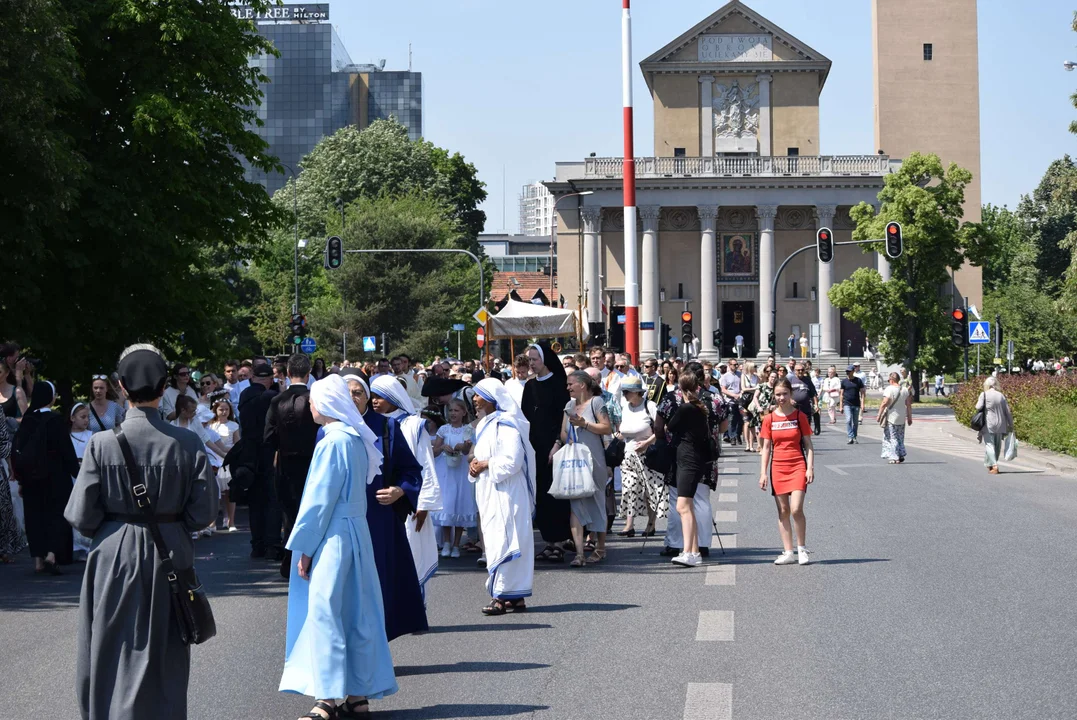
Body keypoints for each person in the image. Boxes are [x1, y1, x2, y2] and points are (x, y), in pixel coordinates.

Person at [65, 343, 217, 719]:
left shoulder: (101, 444)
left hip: (112, 553)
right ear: (165, 386)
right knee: (166, 653)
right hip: (169, 549)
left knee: (107, 647)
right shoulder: (186, 442)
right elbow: (204, 513)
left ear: (120, 386)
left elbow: (80, 514)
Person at [279, 374, 398, 720]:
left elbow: (319, 500)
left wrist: (305, 547)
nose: (310, 406)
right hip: (356, 531)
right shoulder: (355, 438)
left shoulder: (332, 441)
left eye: (314, 400)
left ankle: (327, 698)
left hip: (333, 534)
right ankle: (358, 696)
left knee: (325, 613)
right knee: (357, 612)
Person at [371, 374, 442, 600]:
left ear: (393, 397)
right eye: (372, 396)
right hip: (380, 501)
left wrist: (423, 504)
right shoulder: (370, 424)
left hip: (409, 500)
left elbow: (425, 465)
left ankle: (413, 608)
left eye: (380, 396)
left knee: (412, 554)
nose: (374, 401)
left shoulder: (413, 425)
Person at [469, 378, 537, 615]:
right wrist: (475, 466)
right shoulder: (483, 424)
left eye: (479, 395)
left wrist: (486, 464)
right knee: (497, 536)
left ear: (492, 398)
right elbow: (481, 457)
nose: (474, 400)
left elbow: (513, 461)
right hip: (489, 490)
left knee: (506, 539)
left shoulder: (507, 424)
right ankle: (515, 596)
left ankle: (501, 595)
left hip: (508, 492)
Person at [656, 362, 728, 559]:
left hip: (679, 453)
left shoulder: (672, 397)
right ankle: (702, 544)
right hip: (706, 454)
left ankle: (675, 542)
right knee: (702, 500)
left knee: (676, 500)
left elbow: (659, 425)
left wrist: (664, 440)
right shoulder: (714, 398)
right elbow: (724, 425)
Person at [13, 381, 79, 573]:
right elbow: (66, 452)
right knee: (58, 515)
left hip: (32, 479)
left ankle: (37, 561)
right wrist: (79, 474)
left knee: (35, 517)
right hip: (57, 478)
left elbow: (20, 451)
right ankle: (52, 554)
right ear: (50, 397)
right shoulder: (55, 420)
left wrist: (21, 479)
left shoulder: (27, 420)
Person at [265, 354, 320, 575]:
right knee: (312, 511)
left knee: (289, 513)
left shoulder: (277, 401)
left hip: (286, 462)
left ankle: (290, 559)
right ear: (308, 375)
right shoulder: (314, 400)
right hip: (313, 463)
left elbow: (268, 437)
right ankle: (309, 558)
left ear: (288, 373)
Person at [521, 342, 572, 563]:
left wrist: (557, 443)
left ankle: (559, 542)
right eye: (529, 360)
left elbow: (563, 417)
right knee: (540, 494)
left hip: (554, 446)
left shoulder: (559, 384)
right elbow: (524, 417)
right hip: (534, 447)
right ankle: (548, 541)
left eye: (535, 359)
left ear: (545, 360)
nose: (531, 364)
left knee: (555, 494)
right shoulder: (529, 386)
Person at [758, 378, 815, 566]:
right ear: (774, 396)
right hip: (778, 467)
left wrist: (809, 468)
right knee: (783, 510)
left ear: (791, 394)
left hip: (797, 465)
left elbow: (808, 445)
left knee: (796, 508)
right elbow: (766, 447)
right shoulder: (769, 419)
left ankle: (802, 548)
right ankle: (788, 552)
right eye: (778, 395)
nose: (781, 398)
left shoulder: (800, 417)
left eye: (784, 394)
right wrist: (763, 473)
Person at [559, 370, 611, 566]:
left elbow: (607, 428)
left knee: (597, 501)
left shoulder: (596, 402)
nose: (568, 387)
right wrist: (568, 440)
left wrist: (584, 424)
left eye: (571, 384)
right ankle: (580, 553)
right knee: (576, 504)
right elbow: (563, 433)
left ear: (582, 384)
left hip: (594, 459)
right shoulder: (569, 405)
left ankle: (600, 547)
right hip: (575, 461)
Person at [666, 373, 715, 567]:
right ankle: (693, 551)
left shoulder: (686, 408)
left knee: (683, 506)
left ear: (681, 389)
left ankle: (688, 551)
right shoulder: (698, 408)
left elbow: (670, 426)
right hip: (693, 459)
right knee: (689, 507)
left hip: (688, 460)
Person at [239, 364, 282, 559]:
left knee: (255, 500)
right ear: (270, 379)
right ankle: (273, 543)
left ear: (253, 378)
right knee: (272, 499)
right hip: (268, 451)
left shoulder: (245, 396)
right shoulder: (271, 397)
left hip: (248, 451)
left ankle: (257, 544)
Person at [616, 377, 666, 537]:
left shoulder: (649, 406)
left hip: (648, 455)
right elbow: (624, 427)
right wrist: (620, 435)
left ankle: (650, 525)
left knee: (649, 491)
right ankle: (629, 525)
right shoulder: (625, 407)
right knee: (630, 488)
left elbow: (661, 429)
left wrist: (647, 443)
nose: (624, 395)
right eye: (623, 392)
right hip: (629, 454)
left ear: (637, 392)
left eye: (627, 392)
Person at [431, 398, 476, 557]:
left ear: (463, 412)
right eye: (450, 411)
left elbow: (467, 451)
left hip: (461, 470)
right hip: (447, 471)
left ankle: (457, 543)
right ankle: (447, 543)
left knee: (459, 504)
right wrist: (443, 447)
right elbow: (434, 451)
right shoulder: (444, 429)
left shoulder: (468, 430)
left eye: (456, 411)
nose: (453, 414)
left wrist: (463, 447)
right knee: (447, 504)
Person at [210, 399, 239, 532]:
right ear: (215, 410)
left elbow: (238, 444)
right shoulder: (211, 426)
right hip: (213, 459)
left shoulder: (233, 425)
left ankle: (231, 521)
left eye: (226, 409)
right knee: (214, 492)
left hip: (227, 459)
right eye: (221, 409)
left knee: (229, 491)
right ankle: (212, 522)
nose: (224, 412)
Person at [975, 377, 1014, 475]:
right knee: (997, 445)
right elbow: (1007, 411)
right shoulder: (1001, 395)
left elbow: (978, 407)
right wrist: (1011, 424)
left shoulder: (984, 394)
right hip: (1001, 424)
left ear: (986, 385)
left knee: (989, 445)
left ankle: (994, 465)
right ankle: (990, 464)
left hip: (989, 424)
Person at [877, 372, 913, 464]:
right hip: (901, 417)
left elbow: (884, 402)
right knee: (900, 437)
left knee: (893, 437)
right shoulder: (905, 390)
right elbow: (908, 404)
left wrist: (879, 415)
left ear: (891, 380)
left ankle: (894, 457)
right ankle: (900, 454)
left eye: (889, 380)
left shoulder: (889, 389)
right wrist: (909, 417)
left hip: (892, 417)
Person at [789, 363, 819, 438]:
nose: (800, 372)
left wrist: (816, 405)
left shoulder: (808, 380)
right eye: (798, 370)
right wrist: (790, 399)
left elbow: (813, 394)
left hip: (806, 409)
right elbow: (785, 392)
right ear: (795, 371)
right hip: (793, 409)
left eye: (802, 370)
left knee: (805, 431)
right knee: (795, 430)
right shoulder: (790, 380)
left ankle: (805, 446)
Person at [838, 364, 866, 444]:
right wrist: (841, 406)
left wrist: (862, 404)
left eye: (849, 371)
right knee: (848, 419)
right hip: (847, 403)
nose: (848, 373)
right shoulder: (844, 381)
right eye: (847, 371)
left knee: (855, 422)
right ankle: (850, 436)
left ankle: (854, 436)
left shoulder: (858, 381)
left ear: (853, 371)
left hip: (856, 403)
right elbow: (841, 394)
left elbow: (862, 393)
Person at [718, 358, 743, 445]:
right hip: (730, 400)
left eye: (737, 364)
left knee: (740, 420)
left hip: (739, 400)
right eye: (734, 364)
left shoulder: (740, 374)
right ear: (729, 365)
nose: (736, 366)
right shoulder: (725, 376)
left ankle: (737, 435)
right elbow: (723, 389)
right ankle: (732, 437)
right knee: (732, 419)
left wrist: (740, 393)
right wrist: (733, 395)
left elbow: (743, 386)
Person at [0, 357, 28, 424]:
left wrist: (7, 421)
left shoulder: (17, 391)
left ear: (7, 373)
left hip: (11, 433)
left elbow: (27, 418)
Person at [739, 362, 760, 451]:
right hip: (745, 401)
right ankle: (747, 444)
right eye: (754, 367)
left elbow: (760, 387)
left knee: (753, 423)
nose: (755, 368)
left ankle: (752, 445)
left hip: (753, 400)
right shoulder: (744, 376)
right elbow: (743, 388)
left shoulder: (756, 377)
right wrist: (754, 389)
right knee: (746, 422)